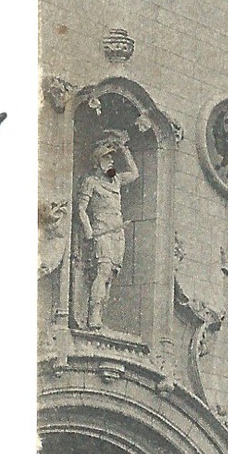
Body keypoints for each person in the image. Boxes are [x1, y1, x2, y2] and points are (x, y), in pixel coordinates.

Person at [76, 131, 139, 331]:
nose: (111, 161)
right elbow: (81, 208)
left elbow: (135, 173)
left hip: (117, 233)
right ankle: (92, 317)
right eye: (107, 158)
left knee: (111, 276)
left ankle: (100, 318)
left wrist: (125, 150)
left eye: (112, 158)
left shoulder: (117, 180)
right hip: (101, 230)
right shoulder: (91, 181)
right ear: (98, 161)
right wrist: (88, 230)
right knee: (102, 271)